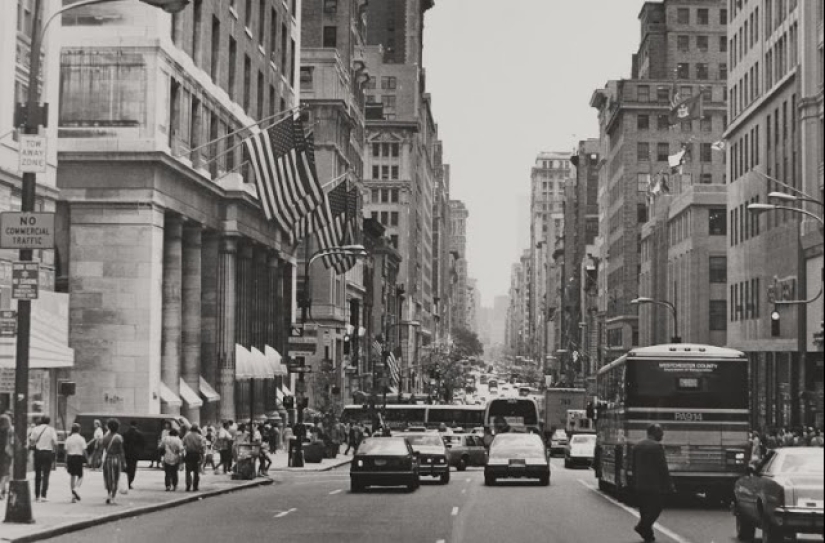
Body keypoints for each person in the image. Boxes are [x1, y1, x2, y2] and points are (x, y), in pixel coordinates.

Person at [632, 424, 674, 543]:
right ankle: (642, 527)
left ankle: (648, 535)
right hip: (654, 484)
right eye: (660, 432)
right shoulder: (657, 447)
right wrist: (669, 484)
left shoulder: (637, 446)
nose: (662, 435)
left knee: (644, 510)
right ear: (654, 433)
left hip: (640, 484)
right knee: (657, 507)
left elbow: (634, 467)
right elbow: (663, 467)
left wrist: (634, 482)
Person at [29, 415, 58, 503]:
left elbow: (32, 441)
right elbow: (55, 442)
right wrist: (54, 451)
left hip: (38, 453)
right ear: (49, 421)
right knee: (46, 474)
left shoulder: (36, 429)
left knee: (37, 474)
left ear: (41, 420)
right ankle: (44, 496)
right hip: (48, 453)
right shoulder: (51, 430)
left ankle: (37, 496)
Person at [100, 418, 126, 505]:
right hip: (116, 459)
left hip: (107, 459)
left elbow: (102, 449)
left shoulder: (105, 437)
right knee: (116, 478)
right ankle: (113, 498)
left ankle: (109, 494)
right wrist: (123, 462)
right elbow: (121, 451)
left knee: (108, 478)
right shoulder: (118, 438)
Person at [64, 423, 88, 503]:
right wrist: (87, 460)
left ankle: (73, 497)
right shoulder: (81, 439)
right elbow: (84, 450)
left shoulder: (68, 439)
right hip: (78, 457)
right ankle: (76, 489)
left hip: (70, 457)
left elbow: (66, 451)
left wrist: (65, 462)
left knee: (72, 476)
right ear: (79, 430)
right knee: (80, 476)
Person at [122, 421, 145, 489]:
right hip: (135, 454)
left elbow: (123, 443)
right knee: (132, 468)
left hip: (126, 454)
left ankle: (126, 482)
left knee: (127, 468)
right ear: (136, 425)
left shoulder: (125, 433)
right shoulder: (139, 434)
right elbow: (143, 444)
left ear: (130, 425)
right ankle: (130, 482)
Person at [182, 425, 205, 492]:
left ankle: (188, 486)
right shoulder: (199, 437)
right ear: (197, 429)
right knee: (196, 472)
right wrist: (202, 455)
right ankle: (195, 486)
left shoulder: (186, 436)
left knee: (188, 472)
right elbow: (202, 446)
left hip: (188, 454)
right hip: (196, 455)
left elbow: (182, 444)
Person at [0, 414, 12, 500]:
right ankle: (1, 490)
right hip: (5, 455)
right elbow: (8, 446)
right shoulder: (9, 431)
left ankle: (3, 491)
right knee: (5, 473)